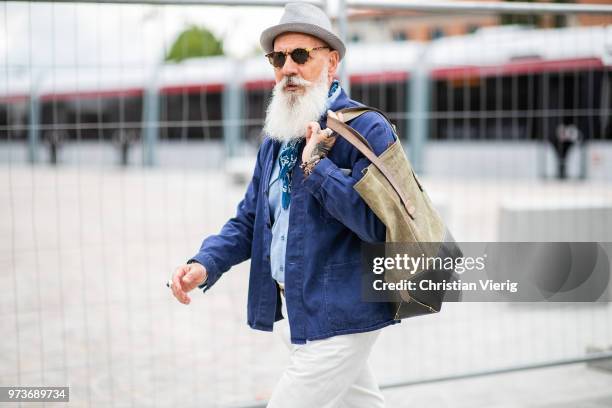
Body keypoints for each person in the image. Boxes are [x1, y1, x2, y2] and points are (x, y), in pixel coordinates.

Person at [169, 3, 399, 407]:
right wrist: (206, 262)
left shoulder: (366, 129)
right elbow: (250, 219)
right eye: (278, 58)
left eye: (300, 55)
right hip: (296, 307)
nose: (287, 68)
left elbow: (380, 226)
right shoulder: (277, 137)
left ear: (331, 63)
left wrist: (317, 165)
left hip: (343, 311)